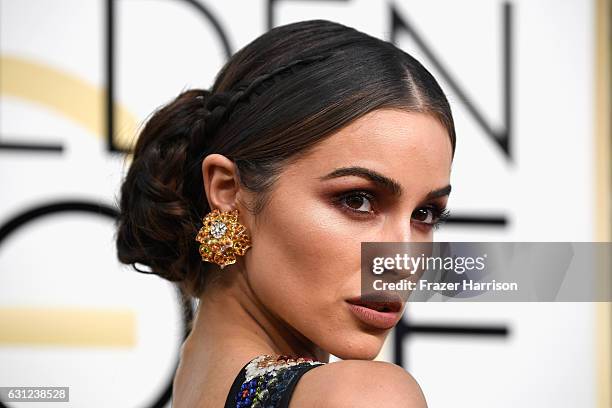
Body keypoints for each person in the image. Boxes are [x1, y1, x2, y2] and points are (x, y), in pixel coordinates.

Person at [115, 18, 455, 408]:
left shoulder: (193, 379)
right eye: (357, 200)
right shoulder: (364, 397)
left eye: (426, 214)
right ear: (227, 191)